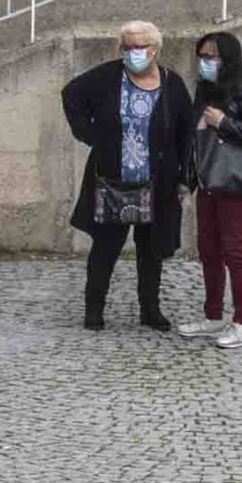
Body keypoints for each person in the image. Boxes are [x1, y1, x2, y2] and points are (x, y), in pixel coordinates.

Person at [61, 21, 197, 331]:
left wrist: (184, 178)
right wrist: (91, 134)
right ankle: (94, 309)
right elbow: (71, 95)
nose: (134, 53)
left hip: (157, 183)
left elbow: (187, 133)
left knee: (151, 251)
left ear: (154, 50)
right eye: (128, 47)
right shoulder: (108, 76)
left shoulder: (171, 83)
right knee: (106, 247)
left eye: (140, 47)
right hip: (113, 181)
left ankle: (150, 310)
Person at [181, 30, 242, 350]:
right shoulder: (204, 91)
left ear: (228, 59)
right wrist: (187, 179)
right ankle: (213, 316)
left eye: (212, 57)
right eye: (202, 57)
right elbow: (197, 142)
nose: (205, 63)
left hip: (236, 184)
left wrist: (223, 122)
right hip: (209, 182)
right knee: (208, 250)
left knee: (234, 252)